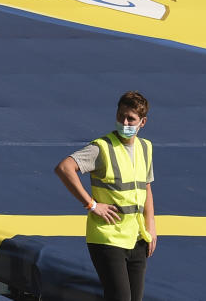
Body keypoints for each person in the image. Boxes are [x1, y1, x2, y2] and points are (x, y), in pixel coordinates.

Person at [54, 91, 156, 301]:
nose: (124, 122)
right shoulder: (102, 148)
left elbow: (146, 188)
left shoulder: (145, 148)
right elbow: (65, 168)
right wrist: (92, 205)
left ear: (142, 122)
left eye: (131, 119)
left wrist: (151, 226)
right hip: (107, 237)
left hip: (136, 237)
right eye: (121, 116)